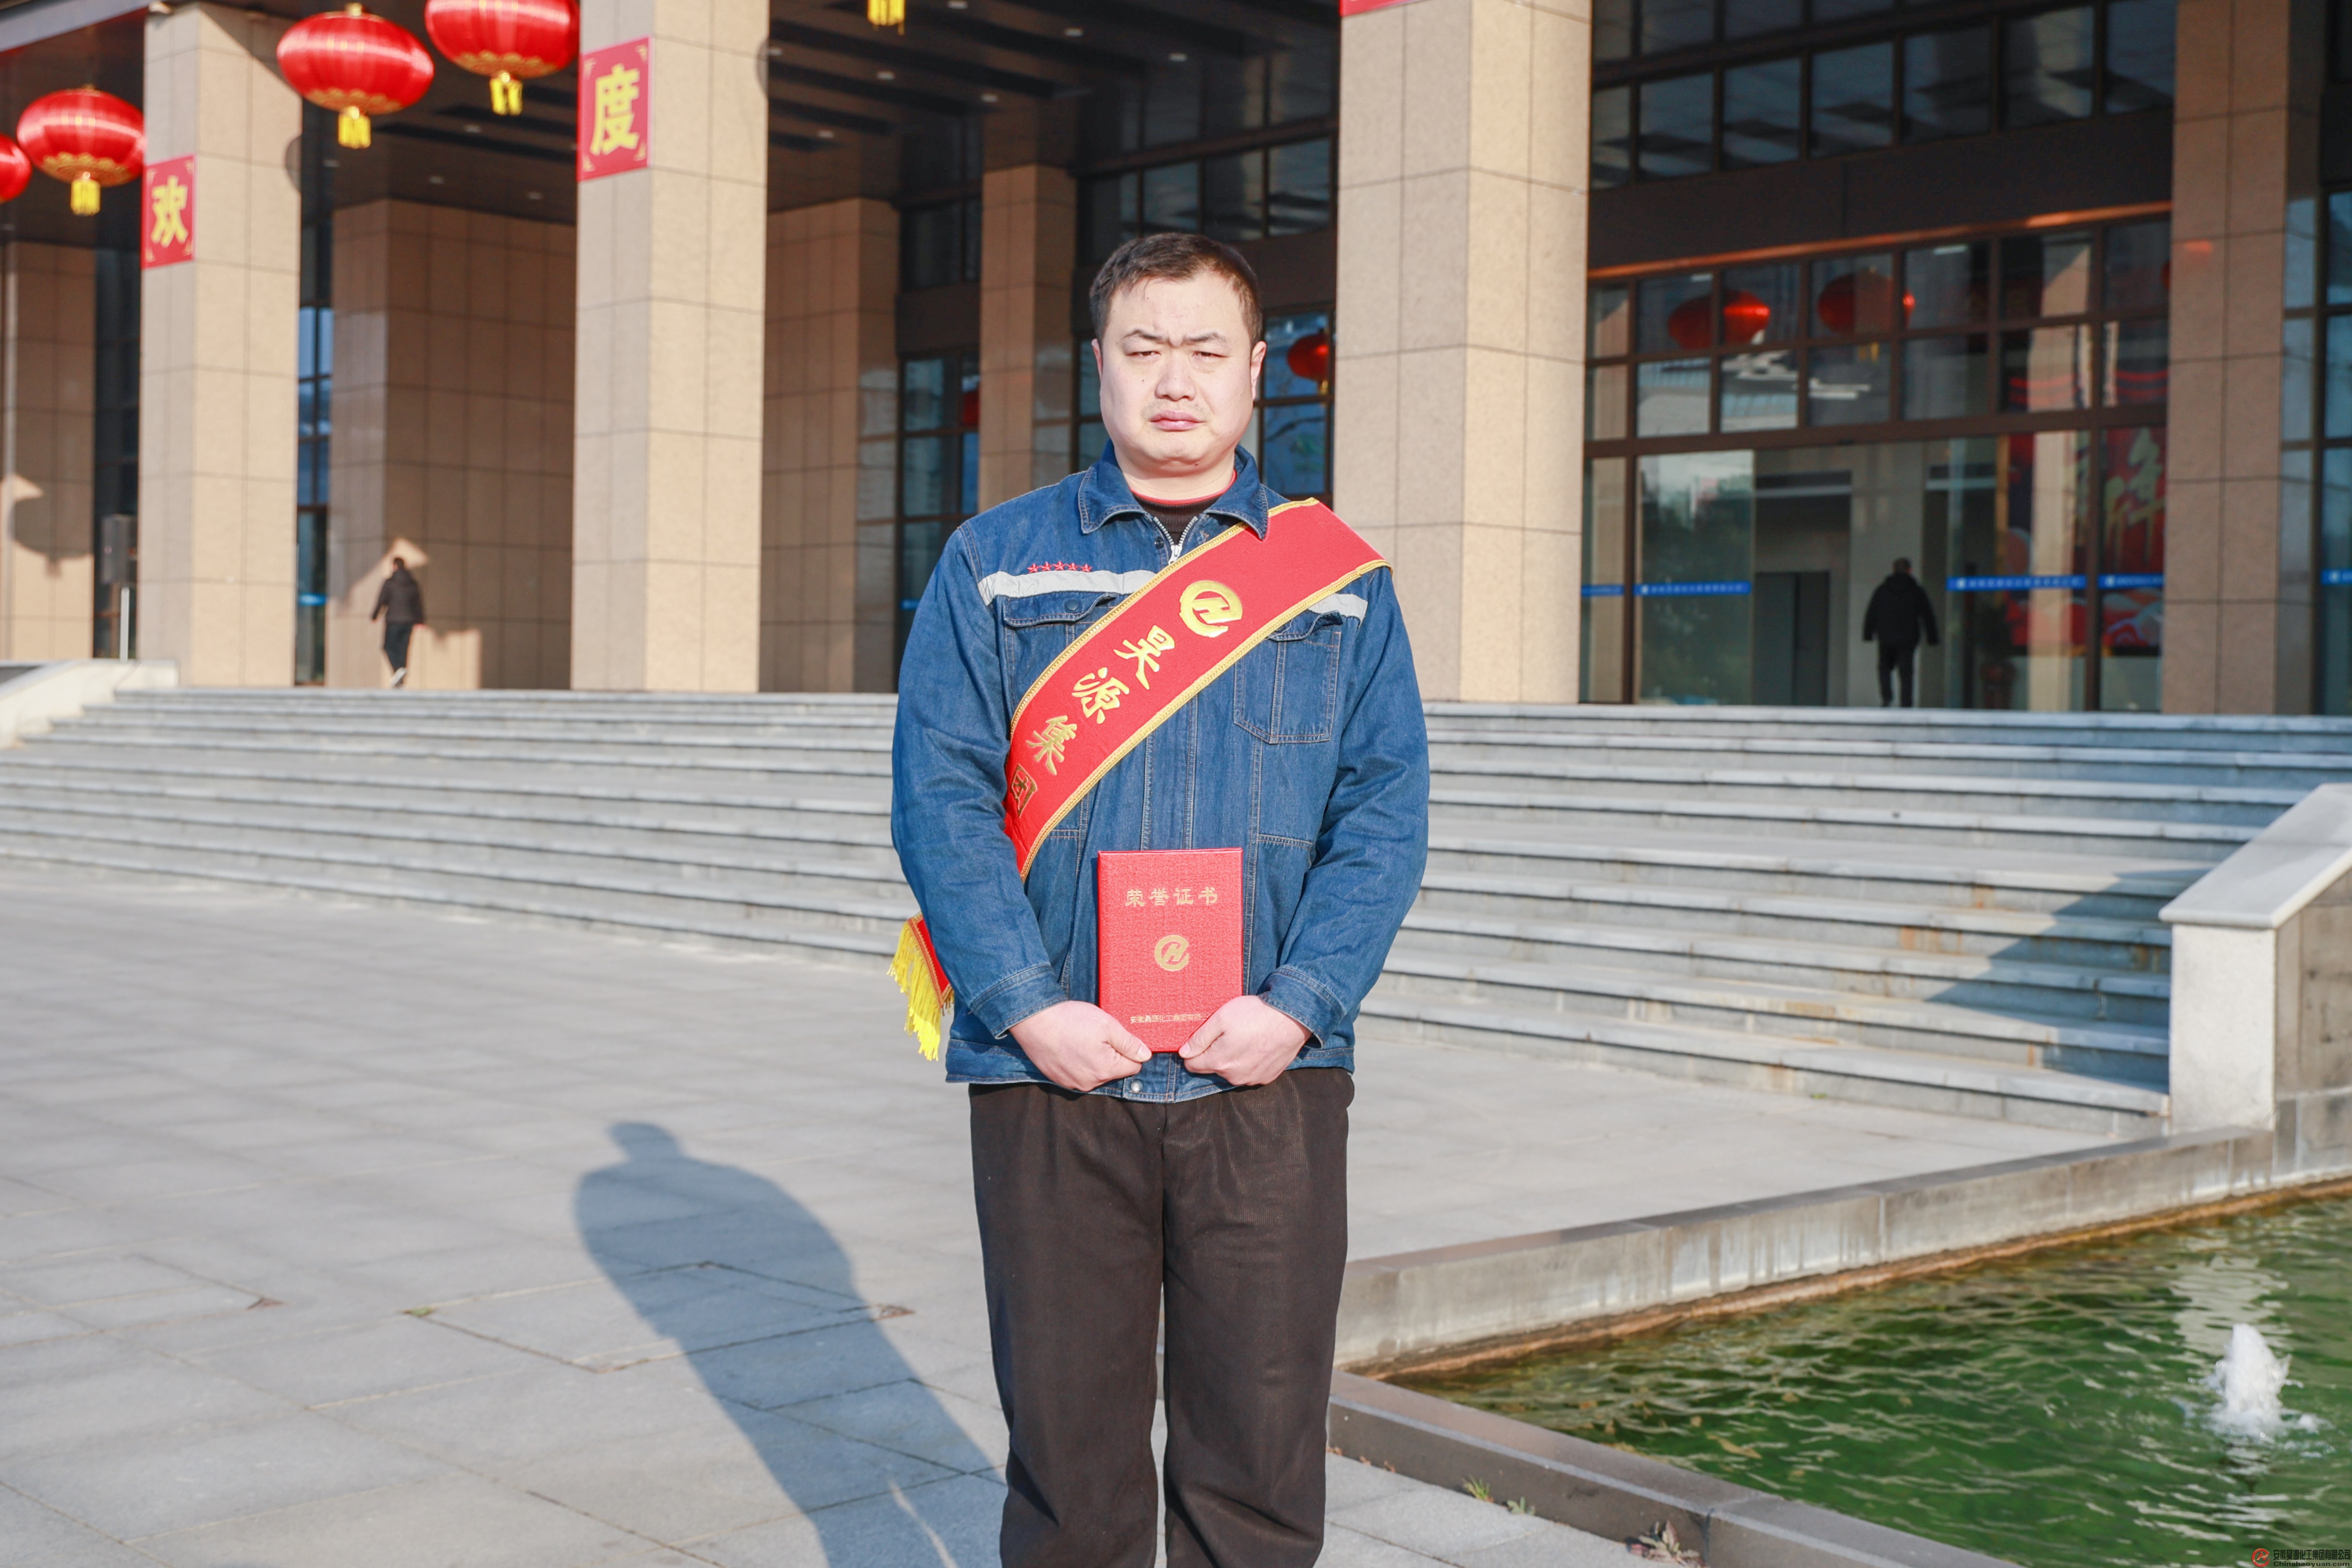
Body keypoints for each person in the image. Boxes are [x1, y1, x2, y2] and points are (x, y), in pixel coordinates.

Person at [890, 232, 1429, 1568]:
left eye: (1204, 350)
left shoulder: (1339, 583)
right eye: (1144, 349)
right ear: (1099, 366)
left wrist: (1301, 1003)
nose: (1173, 379)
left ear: (1256, 371)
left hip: (1267, 1077)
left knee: (1260, 1453)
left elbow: (1383, 813)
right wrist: (1027, 1006)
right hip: (1054, 1074)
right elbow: (941, 798)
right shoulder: (995, 563)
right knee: (1067, 1458)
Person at [1862, 557, 1939, 708]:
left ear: (1893, 570)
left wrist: (1868, 633)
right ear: (1910, 570)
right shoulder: (1916, 591)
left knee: (1885, 668)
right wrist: (1932, 637)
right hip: (1908, 638)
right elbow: (1927, 615)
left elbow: (1872, 612)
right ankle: (1906, 703)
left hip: (1886, 637)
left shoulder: (1882, 590)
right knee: (1906, 671)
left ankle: (1887, 698)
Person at [371, 556, 425, 688]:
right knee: (403, 649)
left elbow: (382, 600)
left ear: (394, 566)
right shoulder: (413, 584)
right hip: (409, 621)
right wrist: (420, 620)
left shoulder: (390, 583)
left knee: (388, 647)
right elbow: (418, 603)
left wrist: (375, 616)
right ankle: (401, 676)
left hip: (394, 620)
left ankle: (398, 670)